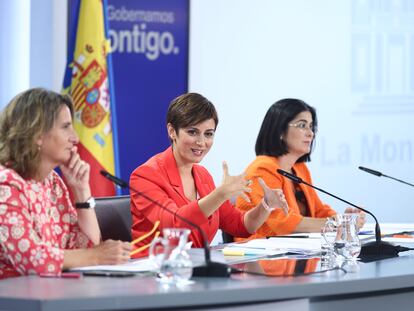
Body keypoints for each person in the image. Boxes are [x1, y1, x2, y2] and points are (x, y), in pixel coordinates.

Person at [130, 93, 288, 257]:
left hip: (194, 269)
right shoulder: (145, 175)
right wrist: (220, 194)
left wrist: (266, 205)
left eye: (208, 134)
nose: (201, 142)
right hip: (152, 271)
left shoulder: (202, 175)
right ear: (172, 131)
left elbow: (241, 225)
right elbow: (175, 225)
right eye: (192, 132)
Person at [0, 88, 131, 279]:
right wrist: (95, 256)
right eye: (65, 126)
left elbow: (87, 245)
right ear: (37, 134)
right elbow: (31, 259)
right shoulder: (6, 185)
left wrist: (81, 190)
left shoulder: (52, 182)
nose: (75, 138)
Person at [235, 98, 365, 239]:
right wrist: (336, 224)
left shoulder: (300, 169)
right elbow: (282, 223)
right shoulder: (262, 169)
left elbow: (318, 210)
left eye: (311, 126)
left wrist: (345, 220)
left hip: (296, 253)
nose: (310, 133)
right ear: (280, 131)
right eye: (302, 125)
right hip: (261, 256)